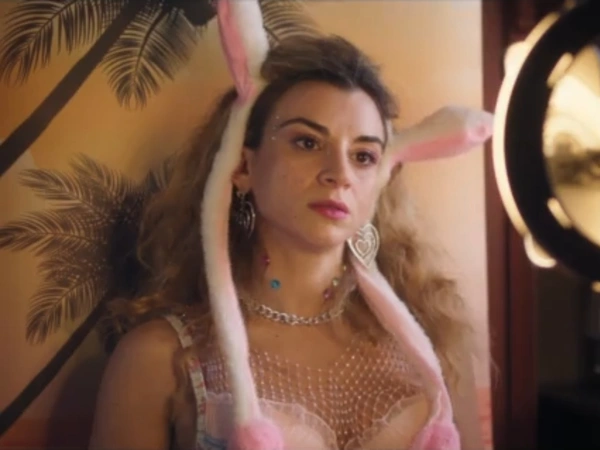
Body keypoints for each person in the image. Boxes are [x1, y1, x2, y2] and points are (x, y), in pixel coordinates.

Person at [89, 2, 492, 449]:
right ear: (243, 165)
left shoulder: (435, 345)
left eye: (363, 156)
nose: (339, 173)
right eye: (307, 142)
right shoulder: (160, 359)